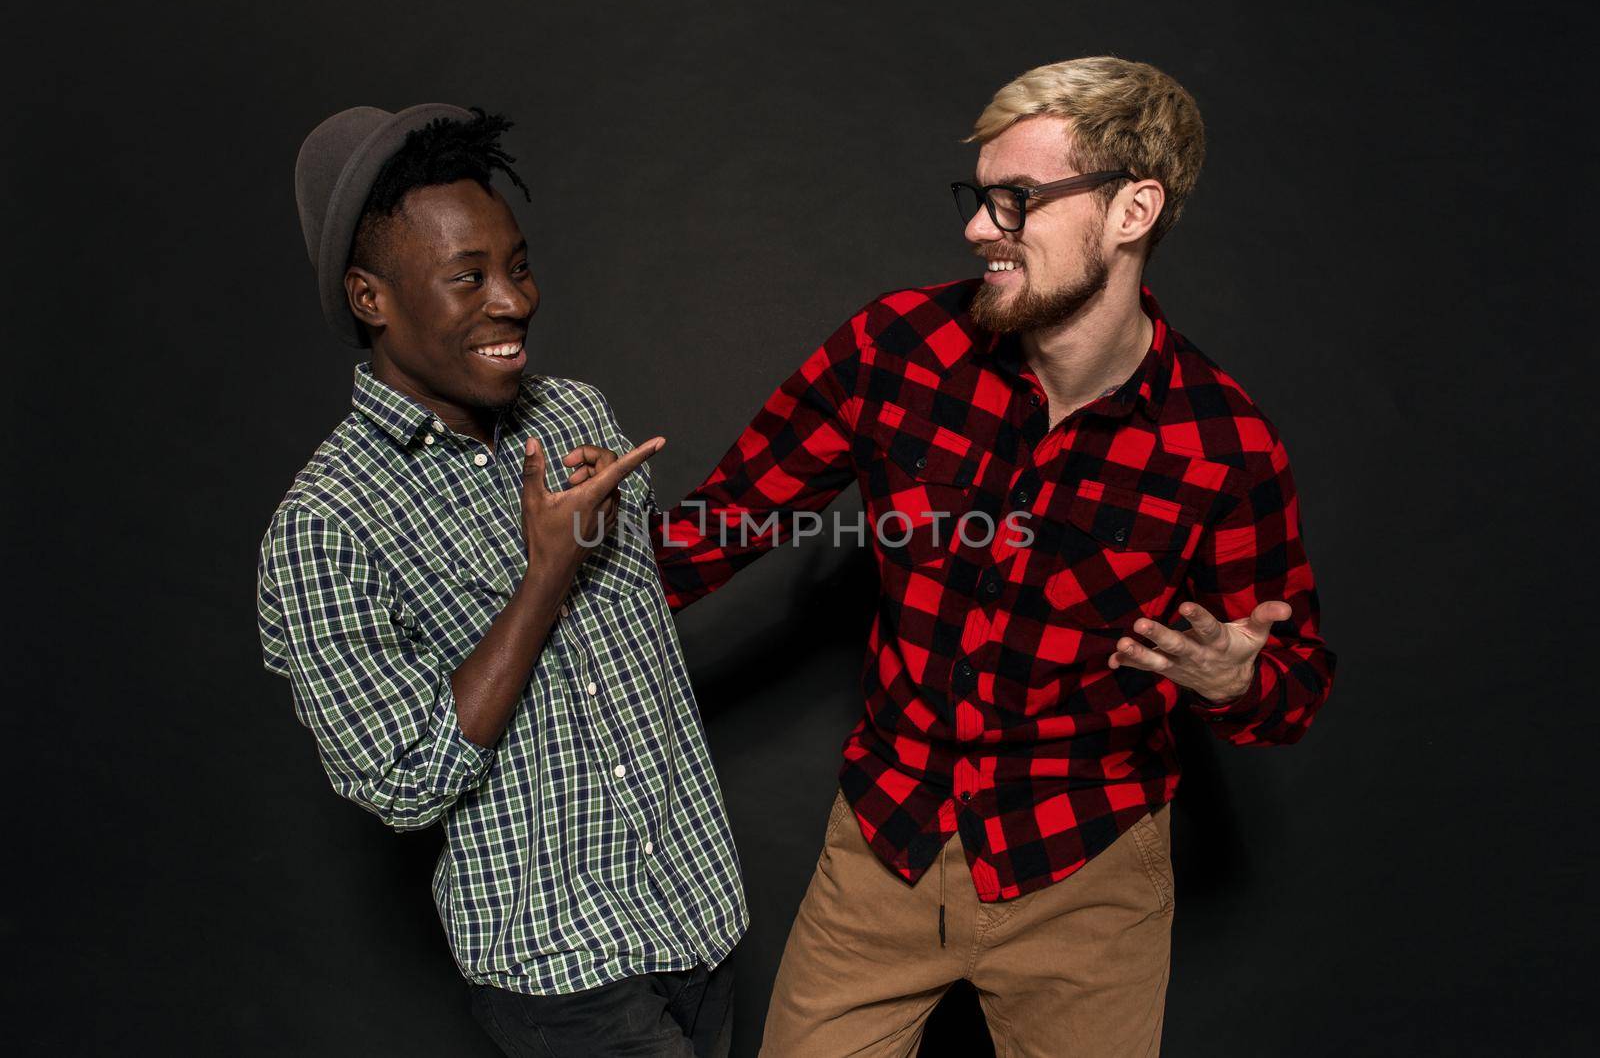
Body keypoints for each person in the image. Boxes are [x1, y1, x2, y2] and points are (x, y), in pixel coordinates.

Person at [644, 57, 1337, 1055]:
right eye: (978, 198)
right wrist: (541, 585)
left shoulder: (1223, 444)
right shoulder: (897, 348)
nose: (977, 228)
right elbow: (722, 525)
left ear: (1132, 209)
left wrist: (1236, 678)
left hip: (1086, 871)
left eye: (1015, 200)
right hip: (887, 839)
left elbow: (1294, 681)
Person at [256, 104, 744, 1057]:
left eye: (516, 266)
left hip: (699, 912)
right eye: (466, 278)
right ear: (372, 298)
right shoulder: (326, 525)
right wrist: (545, 575)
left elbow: (644, 626)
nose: (513, 301)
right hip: (561, 974)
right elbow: (402, 782)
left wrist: (624, 537)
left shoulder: (574, 411)